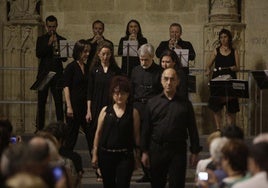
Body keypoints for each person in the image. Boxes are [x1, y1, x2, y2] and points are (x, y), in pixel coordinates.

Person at [141, 68, 202, 188]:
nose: (169, 82)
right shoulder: (152, 103)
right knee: (157, 184)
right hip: (157, 148)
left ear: (177, 81)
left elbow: (192, 128)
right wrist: (144, 151)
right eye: (166, 79)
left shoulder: (185, 104)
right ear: (161, 81)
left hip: (177, 150)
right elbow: (146, 129)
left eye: (172, 79)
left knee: (177, 184)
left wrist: (194, 151)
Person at [91, 75, 140, 188]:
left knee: (123, 184)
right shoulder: (105, 111)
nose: (119, 96)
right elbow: (98, 133)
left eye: (122, 93)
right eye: (116, 93)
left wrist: (137, 156)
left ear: (128, 94)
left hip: (125, 156)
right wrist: (94, 154)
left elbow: (136, 136)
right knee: (108, 185)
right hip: (106, 155)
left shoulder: (133, 112)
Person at [86, 41, 121, 181]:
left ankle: (109, 168)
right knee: (96, 136)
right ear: (99, 54)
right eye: (103, 54)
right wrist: (88, 111)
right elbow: (89, 93)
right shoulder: (94, 71)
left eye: (108, 54)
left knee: (109, 137)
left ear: (111, 55)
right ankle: (98, 168)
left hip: (111, 107)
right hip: (95, 107)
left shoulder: (116, 71)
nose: (105, 56)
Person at [130, 43, 163, 183]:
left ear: (152, 57)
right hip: (137, 107)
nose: (143, 62)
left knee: (152, 141)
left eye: (146, 59)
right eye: (141, 59)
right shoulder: (135, 70)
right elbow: (131, 90)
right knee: (139, 141)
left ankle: (156, 172)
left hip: (153, 108)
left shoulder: (159, 71)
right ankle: (146, 172)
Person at [35, 15, 67, 131]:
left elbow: (64, 59)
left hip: (57, 75)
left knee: (59, 103)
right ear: (46, 26)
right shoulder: (41, 39)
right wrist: (49, 44)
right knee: (41, 103)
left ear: (57, 25)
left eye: (53, 26)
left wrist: (58, 46)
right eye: (49, 27)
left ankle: (61, 128)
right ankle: (40, 128)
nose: (51, 29)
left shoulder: (62, 39)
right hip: (44, 75)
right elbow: (39, 54)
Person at [205, 28, 240, 130]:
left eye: (225, 37)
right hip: (218, 81)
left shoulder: (234, 51)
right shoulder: (216, 51)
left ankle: (230, 129)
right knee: (216, 107)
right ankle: (218, 129)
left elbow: (238, 67)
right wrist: (207, 70)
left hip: (230, 81)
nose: (223, 39)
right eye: (221, 37)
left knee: (231, 107)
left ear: (229, 38)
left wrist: (234, 68)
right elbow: (208, 65)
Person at [63, 39, 91, 151]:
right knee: (71, 136)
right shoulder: (71, 67)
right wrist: (69, 107)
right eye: (85, 51)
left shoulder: (87, 67)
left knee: (90, 135)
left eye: (88, 51)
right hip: (73, 106)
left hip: (84, 106)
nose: (87, 54)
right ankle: (66, 162)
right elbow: (66, 87)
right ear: (78, 51)